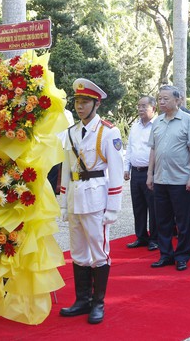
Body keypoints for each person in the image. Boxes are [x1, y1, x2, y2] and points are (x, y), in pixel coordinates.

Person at [58, 78, 124, 324]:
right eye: (77, 101)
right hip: (75, 196)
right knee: (77, 252)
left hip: (97, 198)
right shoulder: (71, 132)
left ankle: (98, 303)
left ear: (96, 104)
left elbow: (116, 170)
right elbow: (67, 167)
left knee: (99, 252)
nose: (80, 106)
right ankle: (82, 300)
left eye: (85, 102)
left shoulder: (108, 131)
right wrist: (63, 203)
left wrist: (113, 208)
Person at [147, 85, 190, 272]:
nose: (162, 102)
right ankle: (166, 255)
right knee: (162, 220)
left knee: (183, 221)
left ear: (178, 100)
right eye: (160, 98)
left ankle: (182, 256)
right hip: (160, 179)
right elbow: (153, 149)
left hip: (181, 180)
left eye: (166, 98)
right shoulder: (157, 122)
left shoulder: (188, 120)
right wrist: (149, 174)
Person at [124, 95, 158, 251]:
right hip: (136, 172)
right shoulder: (135, 126)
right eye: (139, 106)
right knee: (138, 206)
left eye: (144, 106)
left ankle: (155, 238)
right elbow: (130, 147)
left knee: (154, 206)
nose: (140, 109)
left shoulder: (158, 125)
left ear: (153, 108)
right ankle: (141, 236)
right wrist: (127, 168)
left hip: (152, 172)